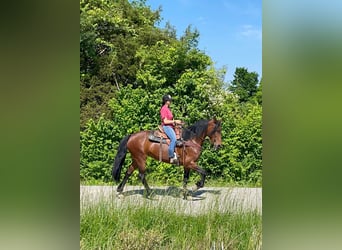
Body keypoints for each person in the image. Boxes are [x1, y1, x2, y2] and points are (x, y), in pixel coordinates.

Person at [160, 95, 182, 164]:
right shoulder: (163, 109)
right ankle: (171, 156)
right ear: (166, 101)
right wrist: (175, 121)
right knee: (174, 139)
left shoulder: (168, 109)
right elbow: (165, 121)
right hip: (167, 127)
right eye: (169, 100)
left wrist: (177, 123)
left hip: (171, 126)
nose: (170, 102)